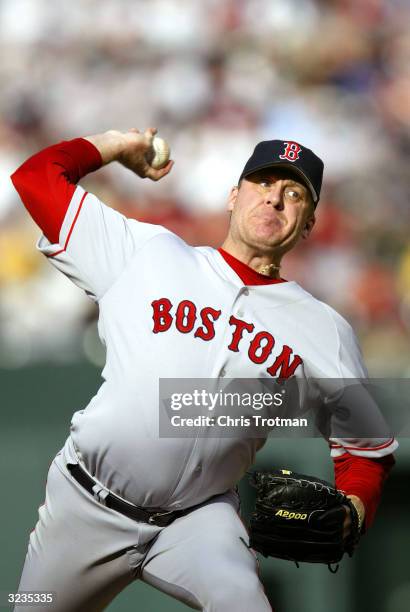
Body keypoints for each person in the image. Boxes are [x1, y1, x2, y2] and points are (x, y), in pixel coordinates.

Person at [11, 129, 397, 612]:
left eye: (293, 193)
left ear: (310, 223)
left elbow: (367, 451)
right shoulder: (147, 253)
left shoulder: (324, 331)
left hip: (198, 521)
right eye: (263, 183)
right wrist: (116, 144)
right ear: (234, 196)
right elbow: (35, 179)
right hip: (84, 505)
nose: (274, 198)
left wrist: (355, 511)